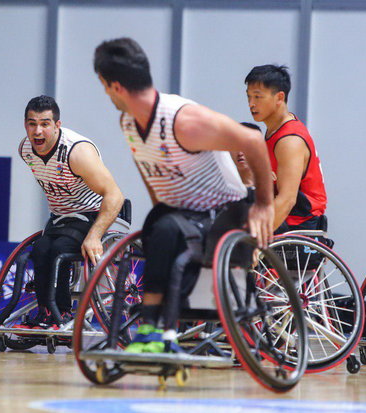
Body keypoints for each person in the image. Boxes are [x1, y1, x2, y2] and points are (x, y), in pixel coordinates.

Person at [93, 38, 274, 353]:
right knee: (156, 223)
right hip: (185, 211)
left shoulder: (184, 120)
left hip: (226, 210)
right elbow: (149, 169)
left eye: (104, 87)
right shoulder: (129, 122)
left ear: (116, 87)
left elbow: (252, 141)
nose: (105, 93)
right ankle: (151, 325)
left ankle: (154, 328)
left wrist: (263, 205)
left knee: (166, 229)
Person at [15, 95, 124, 329]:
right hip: (60, 218)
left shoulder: (77, 153)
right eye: (32, 123)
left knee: (58, 250)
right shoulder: (25, 150)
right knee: (40, 250)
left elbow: (115, 195)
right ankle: (45, 313)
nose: (37, 130)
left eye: (45, 123)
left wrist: (95, 235)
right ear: (25, 125)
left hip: (92, 213)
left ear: (57, 126)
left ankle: (62, 312)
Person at [245, 65, 327, 233]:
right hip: (283, 215)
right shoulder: (274, 130)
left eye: (258, 97)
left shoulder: (290, 140)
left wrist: (254, 241)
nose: (251, 104)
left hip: (298, 222)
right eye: (249, 97)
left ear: (279, 97)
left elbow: (287, 200)